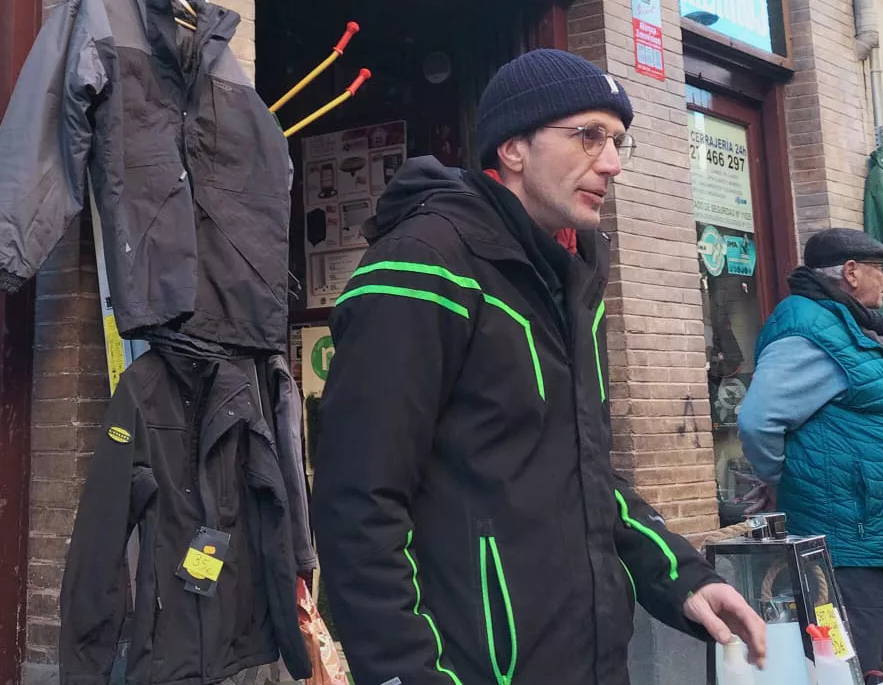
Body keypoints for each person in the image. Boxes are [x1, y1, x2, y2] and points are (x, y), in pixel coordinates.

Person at [313, 49, 765, 685]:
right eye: (587, 136)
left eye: (616, 141)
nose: (609, 162)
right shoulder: (423, 265)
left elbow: (585, 474)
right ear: (513, 148)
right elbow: (357, 501)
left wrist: (680, 576)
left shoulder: (570, 278)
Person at [738, 228, 883, 677]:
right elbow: (758, 420)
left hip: (879, 534)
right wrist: (786, 481)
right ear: (851, 272)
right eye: (881, 269)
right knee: (850, 666)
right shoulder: (807, 328)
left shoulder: (847, 323)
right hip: (852, 537)